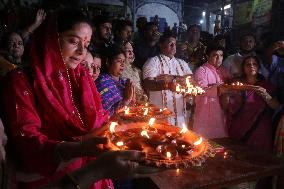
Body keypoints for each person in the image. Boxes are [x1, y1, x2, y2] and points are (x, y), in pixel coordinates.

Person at [0, 9, 114, 189]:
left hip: (91, 176)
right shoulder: (21, 81)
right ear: (51, 39)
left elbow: (99, 119)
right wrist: (81, 147)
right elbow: (27, 143)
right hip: (52, 181)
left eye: (86, 43)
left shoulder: (81, 78)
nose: (81, 51)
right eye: (73, 41)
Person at [227, 56, 280, 189]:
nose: (251, 66)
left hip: (260, 132)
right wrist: (224, 93)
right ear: (243, 68)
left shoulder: (267, 85)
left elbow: (276, 106)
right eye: (248, 64)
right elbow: (227, 107)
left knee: (259, 163)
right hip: (238, 130)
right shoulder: (237, 85)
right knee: (239, 164)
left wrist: (265, 95)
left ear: (258, 67)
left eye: (254, 64)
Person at [143, 32, 193, 128]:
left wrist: (173, 78)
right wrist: (168, 85)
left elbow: (192, 81)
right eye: (171, 44)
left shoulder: (182, 63)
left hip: (180, 116)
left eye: (175, 44)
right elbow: (148, 84)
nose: (174, 47)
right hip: (159, 114)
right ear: (161, 45)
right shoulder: (152, 62)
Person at [193, 45, 231, 139]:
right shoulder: (202, 70)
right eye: (215, 55)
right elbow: (201, 90)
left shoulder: (224, 71)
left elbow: (231, 85)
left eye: (221, 55)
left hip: (221, 114)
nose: (219, 58)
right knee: (204, 145)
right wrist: (219, 88)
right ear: (207, 56)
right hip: (206, 113)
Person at [95, 44, 135, 116]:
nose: (122, 64)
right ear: (108, 62)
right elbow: (104, 113)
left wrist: (132, 98)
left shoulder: (124, 82)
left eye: (123, 61)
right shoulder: (102, 81)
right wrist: (126, 101)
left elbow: (132, 106)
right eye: (119, 61)